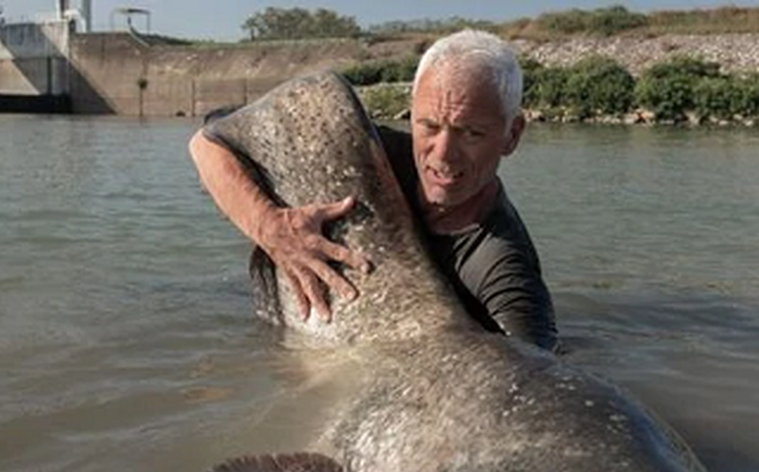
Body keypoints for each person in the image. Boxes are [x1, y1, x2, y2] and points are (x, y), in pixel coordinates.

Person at [189, 30, 558, 351]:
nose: (442, 155)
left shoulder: (503, 269)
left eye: (471, 133)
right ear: (410, 114)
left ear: (512, 135)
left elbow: (535, 376)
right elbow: (205, 146)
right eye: (428, 126)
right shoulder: (372, 153)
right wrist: (270, 227)